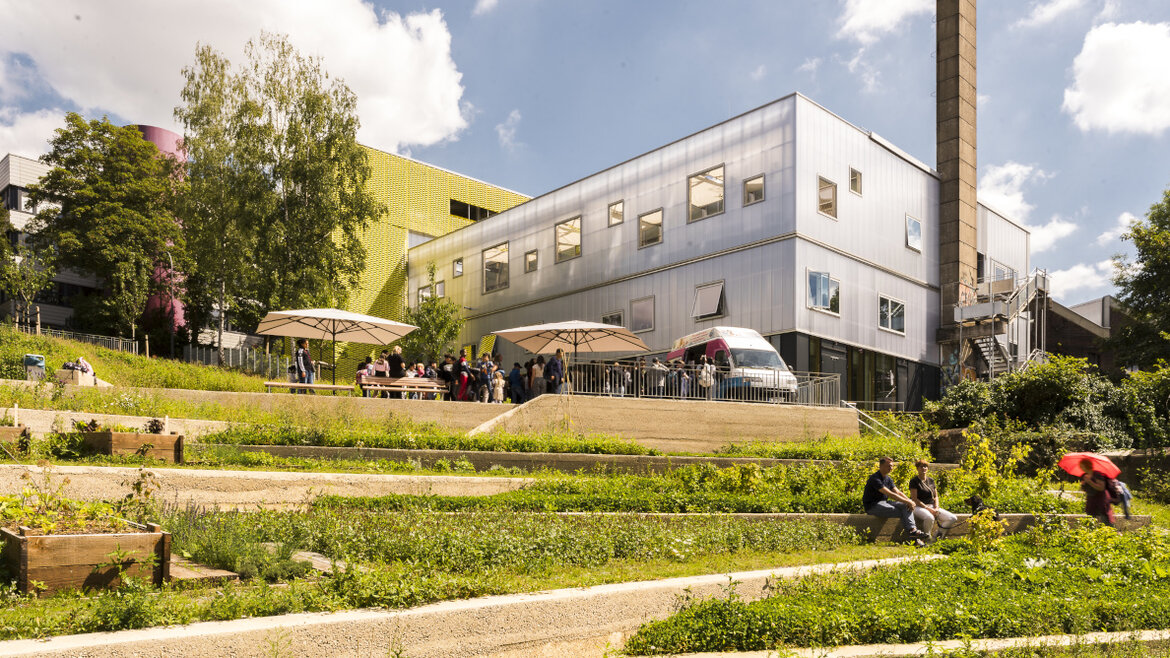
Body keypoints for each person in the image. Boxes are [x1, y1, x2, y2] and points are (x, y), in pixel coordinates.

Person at [863, 457, 928, 541]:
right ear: (881, 466)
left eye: (892, 466)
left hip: (884, 503)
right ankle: (914, 537)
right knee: (903, 511)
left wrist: (910, 501)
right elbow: (890, 494)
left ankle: (913, 531)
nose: (891, 468)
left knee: (906, 507)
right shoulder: (875, 478)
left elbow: (898, 492)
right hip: (873, 506)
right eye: (889, 466)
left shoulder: (888, 479)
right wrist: (908, 502)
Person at [908, 460, 958, 538]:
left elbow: (935, 496)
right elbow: (914, 499)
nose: (923, 468)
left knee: (952, 518)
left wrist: (936, 508)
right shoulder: (914, 481)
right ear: (917, 468)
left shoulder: (931, 480)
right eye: (921, 467)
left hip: (931, 506)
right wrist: (929, 509)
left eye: (925, 466)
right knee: (929, 517)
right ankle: (926, 538)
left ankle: (937, 536)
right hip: (918, 507)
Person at [1080, 458, 1116, 527]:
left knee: (1105, 518)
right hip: (1091, 500)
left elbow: (1101, 488)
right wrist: (1083, 485)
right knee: (1090, 518)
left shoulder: (1097, 474)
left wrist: (1089, 482)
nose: (1081, 468)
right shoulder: (1084, 475)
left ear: (1087, 465)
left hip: (1101, 499)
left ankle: (1112, 532)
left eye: (1082, 466)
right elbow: (1086, 489)